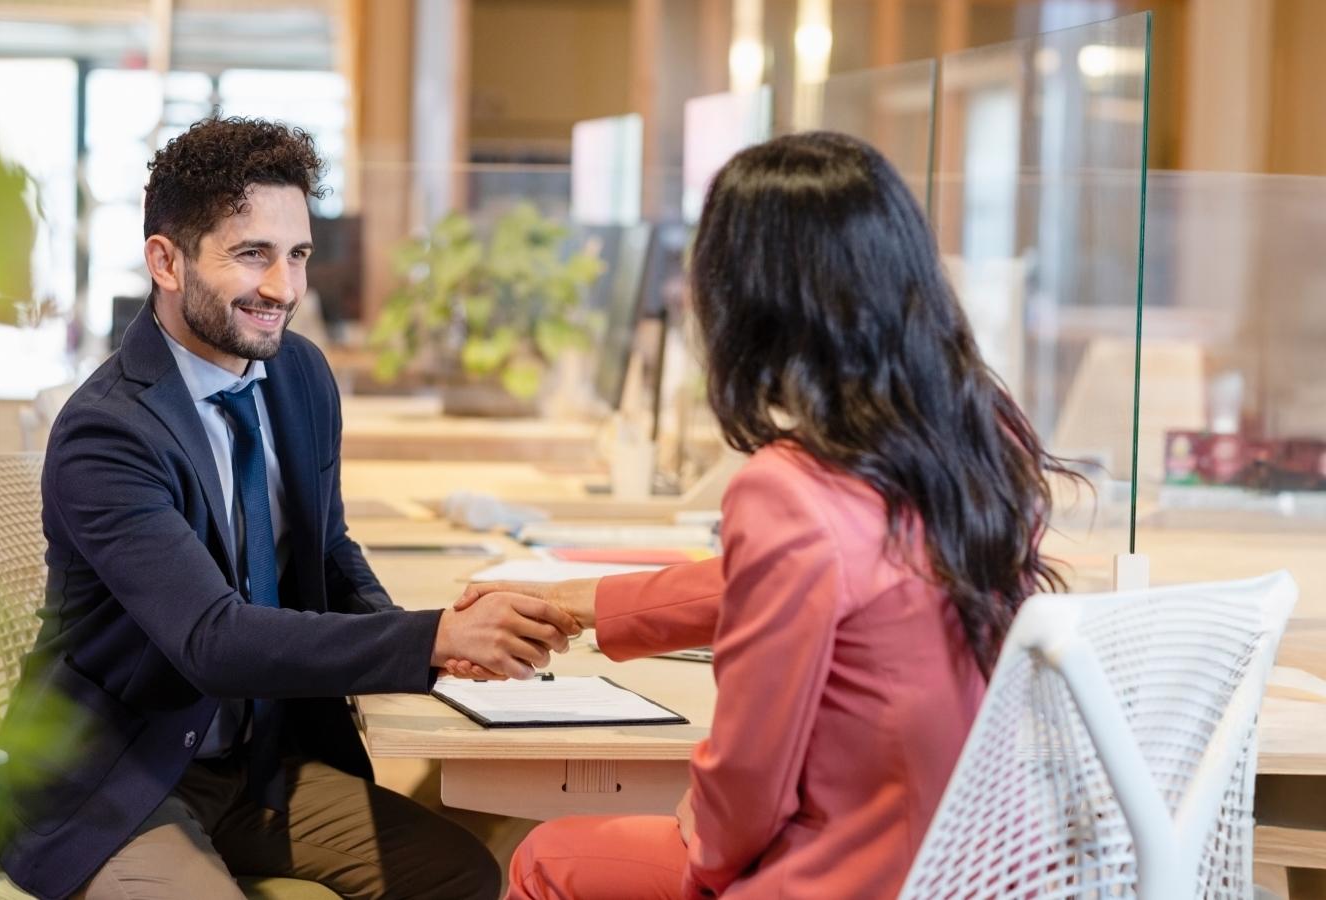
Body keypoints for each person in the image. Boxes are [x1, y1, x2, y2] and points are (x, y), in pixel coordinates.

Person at [451, 131, 1073, 899]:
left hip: (846, 877)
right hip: (986, 871)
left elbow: (751, 778)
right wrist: (575, 604)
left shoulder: (789, 490)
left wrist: (701, 848)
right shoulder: (980, 439)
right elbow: (821, 579)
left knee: (547, 858)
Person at [0, 116, 579, 900]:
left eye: (296, 254)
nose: (284, 289)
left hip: (258, 768)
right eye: (252, 254)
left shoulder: (298, 374)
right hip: (119, 783)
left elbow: (327, 549)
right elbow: (211, 640)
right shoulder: (108, 432)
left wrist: (435, 646)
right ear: (165, 260)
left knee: (460, 874)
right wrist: (427, 634)